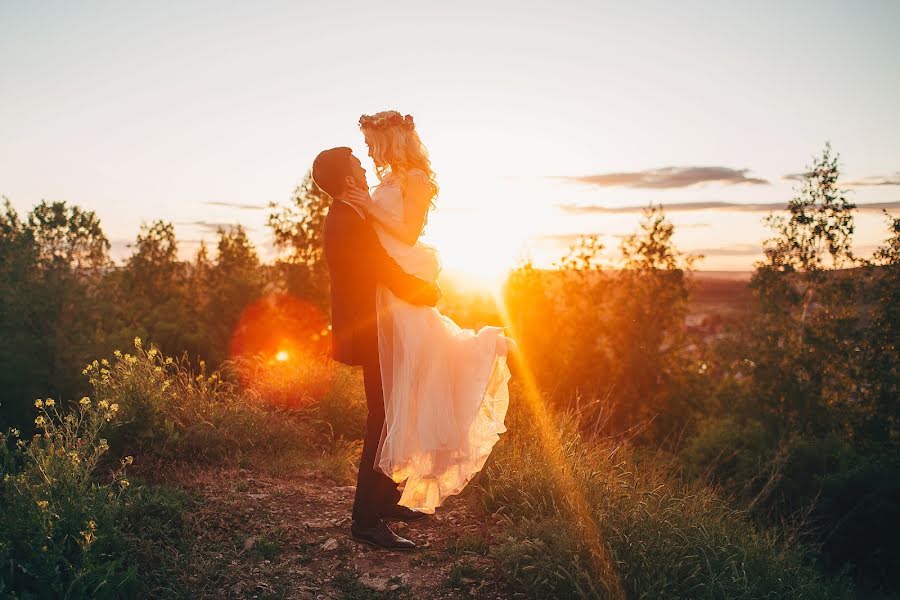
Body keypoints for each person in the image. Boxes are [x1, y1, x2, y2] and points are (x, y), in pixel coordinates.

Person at [343, 111, 512, 516]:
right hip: (385, 281)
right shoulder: (386, 181)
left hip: (399, 281)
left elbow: (410, 232)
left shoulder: (415, 180)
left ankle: (486, 348)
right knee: (397, 392)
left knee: (411, 384)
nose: (368, 151)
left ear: (391, 140)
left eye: (371, 142)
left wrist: (368, 206)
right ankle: (383, 500)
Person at [316, 146, 438, 550]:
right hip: (368, 332)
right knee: (382, 419)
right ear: (348, 179)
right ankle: (366, 521)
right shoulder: (348, 219)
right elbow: (380, 266)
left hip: (372, 328)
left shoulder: (348, 214)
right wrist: (424, 291)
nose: (365, 167)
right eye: (358, 165)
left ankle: (384, 502)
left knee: (389, 412)